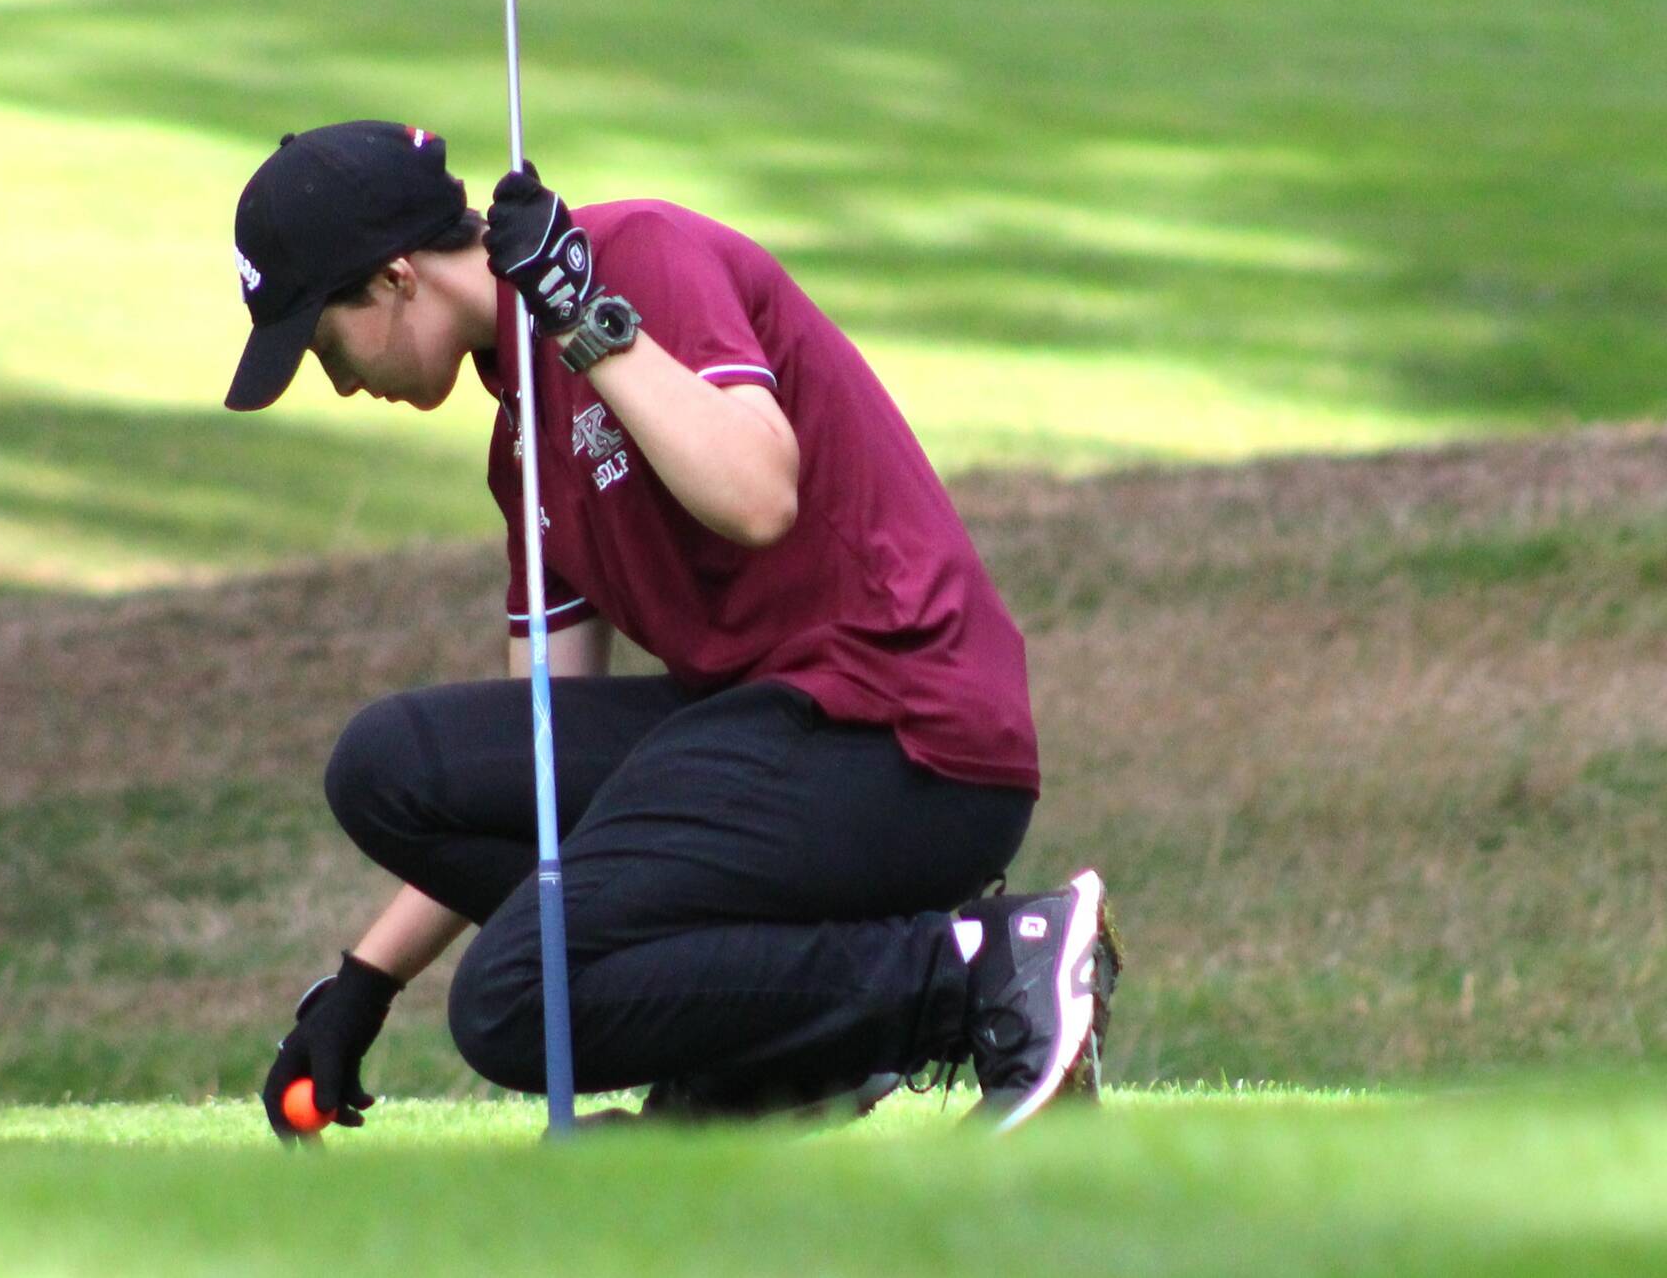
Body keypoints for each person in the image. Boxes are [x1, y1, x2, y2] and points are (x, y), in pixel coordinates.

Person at [223, 120, 1119, 1135]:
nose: (339, 382)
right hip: (774, 748)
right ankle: (772, 1049)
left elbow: (754, 493)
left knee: (515, 1001)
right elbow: (539, 768)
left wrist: (580, 317)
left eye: (322, 343)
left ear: (391, 279)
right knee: (388, 770)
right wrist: (366, 977)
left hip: (898, 735)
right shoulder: (520, 442)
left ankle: (982, 969)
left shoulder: (636, 257)